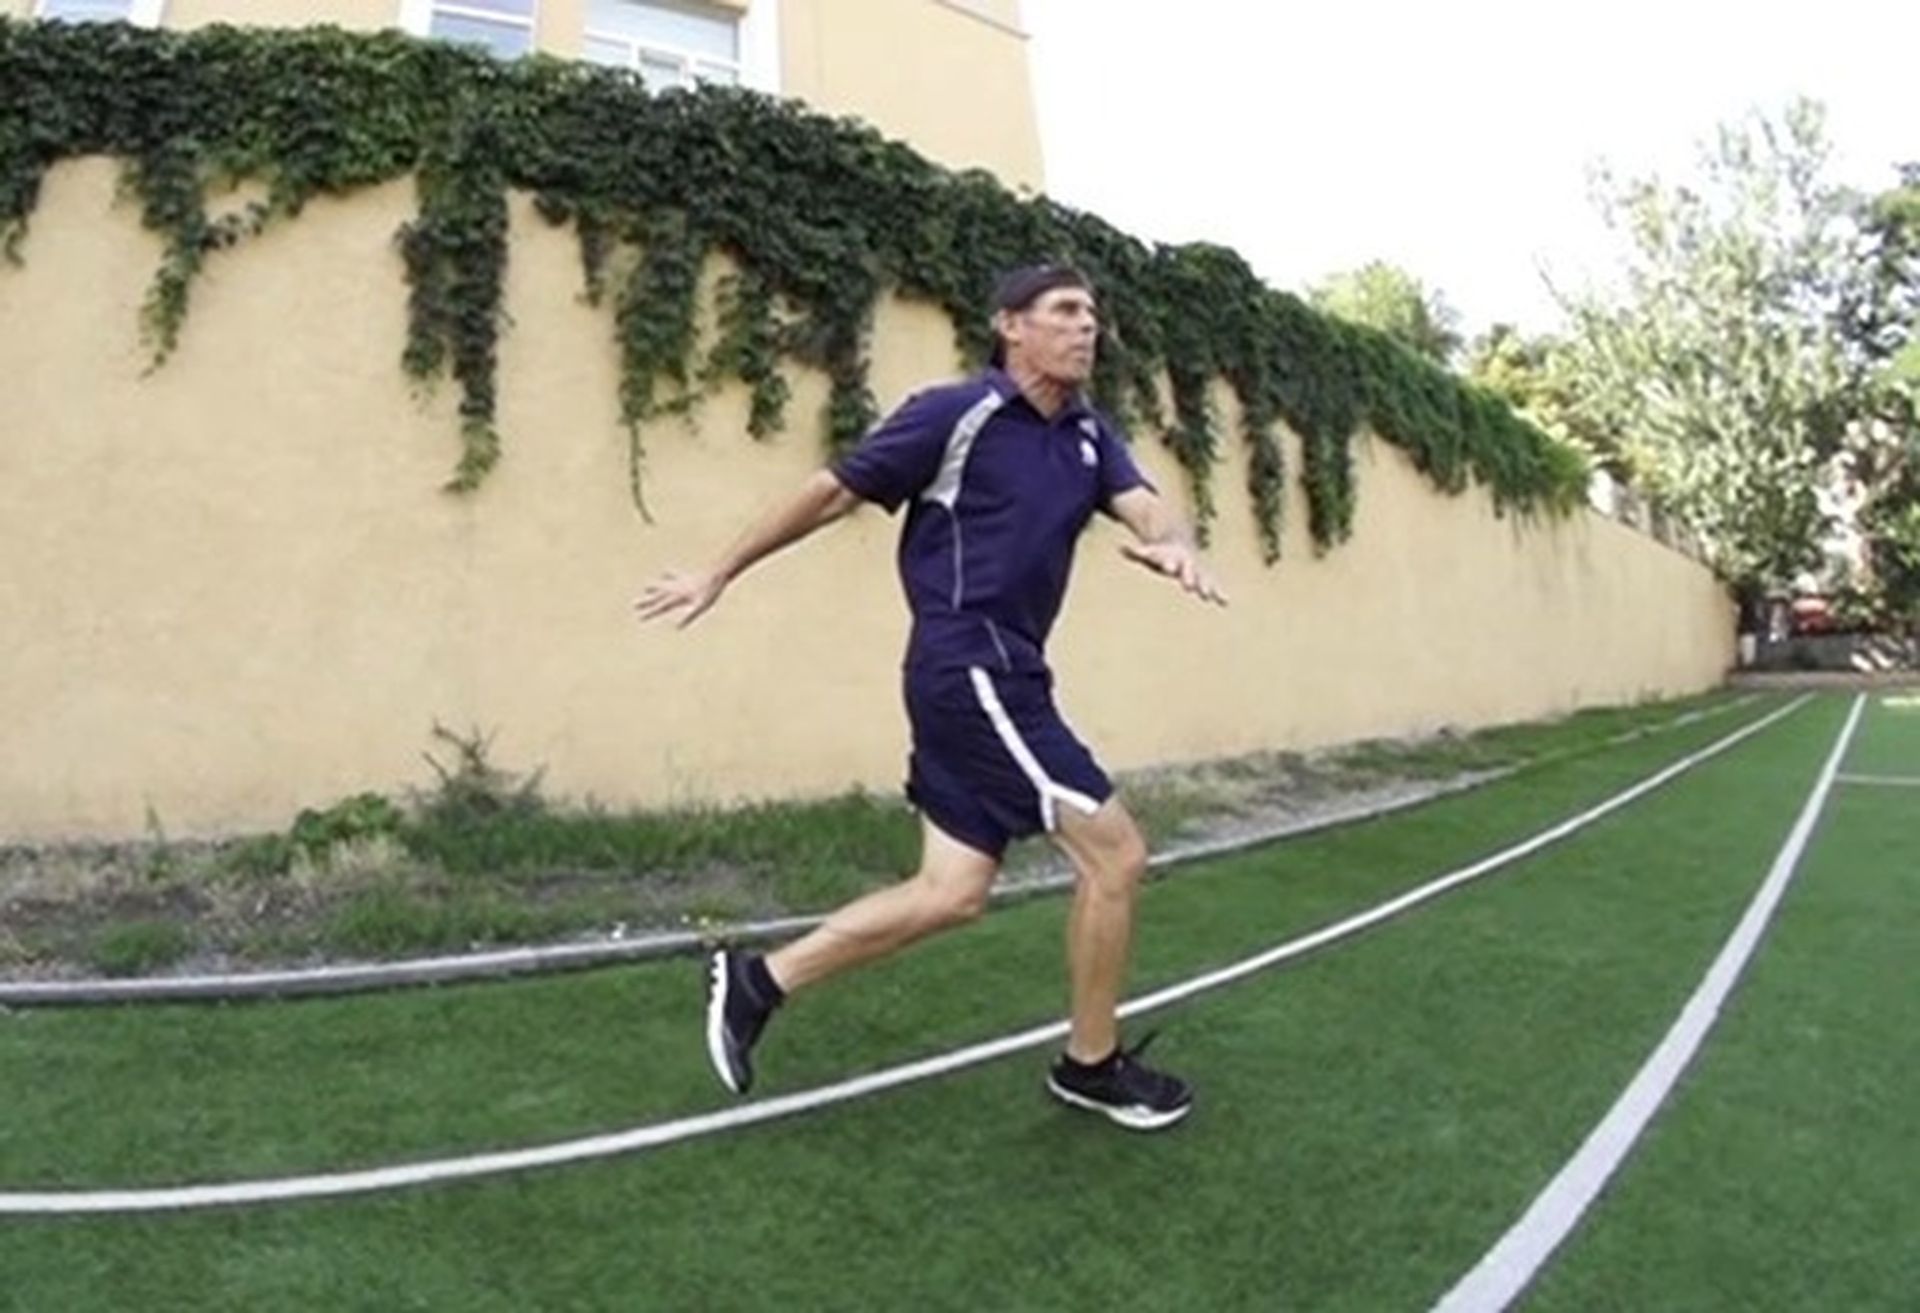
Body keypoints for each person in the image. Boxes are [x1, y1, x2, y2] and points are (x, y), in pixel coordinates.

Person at [636, 265, 1227, 1130]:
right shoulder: (958, 414)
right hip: (968, 664)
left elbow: (1145, 507)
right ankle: (1089, 1065)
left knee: (952, 889)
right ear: (1011, 326)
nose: (1086, 327)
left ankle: (759, 983)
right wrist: (717, 571)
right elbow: (832, 489)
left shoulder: (1091, 436)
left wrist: (1173, 545)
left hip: (1007, 670)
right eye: (1065, 311)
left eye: (1093, 314)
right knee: (1117, 854)